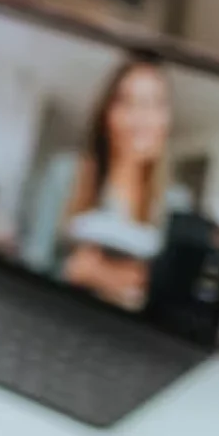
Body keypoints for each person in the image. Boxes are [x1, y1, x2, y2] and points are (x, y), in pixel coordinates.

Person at [62, 57, 174, 311]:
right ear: (107, 113)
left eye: (153, 105)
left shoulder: (174, 203)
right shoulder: (67, 175)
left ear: (166, 119)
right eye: (128, 103)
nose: (141, 119)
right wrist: (82, 272)